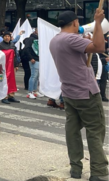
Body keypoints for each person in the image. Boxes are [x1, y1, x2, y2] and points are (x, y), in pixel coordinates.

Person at [49, 10, 108, 181]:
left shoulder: (55, 40)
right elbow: (99, 47)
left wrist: (88, 42)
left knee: (72, 131)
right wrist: (98, 22)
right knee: (95, 131)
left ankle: (76, 168)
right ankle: (99, 172)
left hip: (69, 92)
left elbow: (87, 49)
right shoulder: (71, 39)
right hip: (86, 92)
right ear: (75, 23)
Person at [0, 32, 21, 104]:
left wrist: (16, 65)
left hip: (12, 66)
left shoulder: (12, 45)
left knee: (12, 81)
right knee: (4, 81)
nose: (7, 37)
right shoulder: (0, 45)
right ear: (3, 37)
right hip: (4, 66)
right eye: (5, 36)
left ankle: (11, 95)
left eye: (8, 36)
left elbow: (15, 55)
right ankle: (4, 96)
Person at [24, 29, 43, 99]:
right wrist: (30, 58)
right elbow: (26, 48)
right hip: (34, 59)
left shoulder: (37, 39)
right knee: (34, 76)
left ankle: (34, 91)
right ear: (35, 31)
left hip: (37, 59)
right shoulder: (31, 39)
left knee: (37, 76)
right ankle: (30, 92)